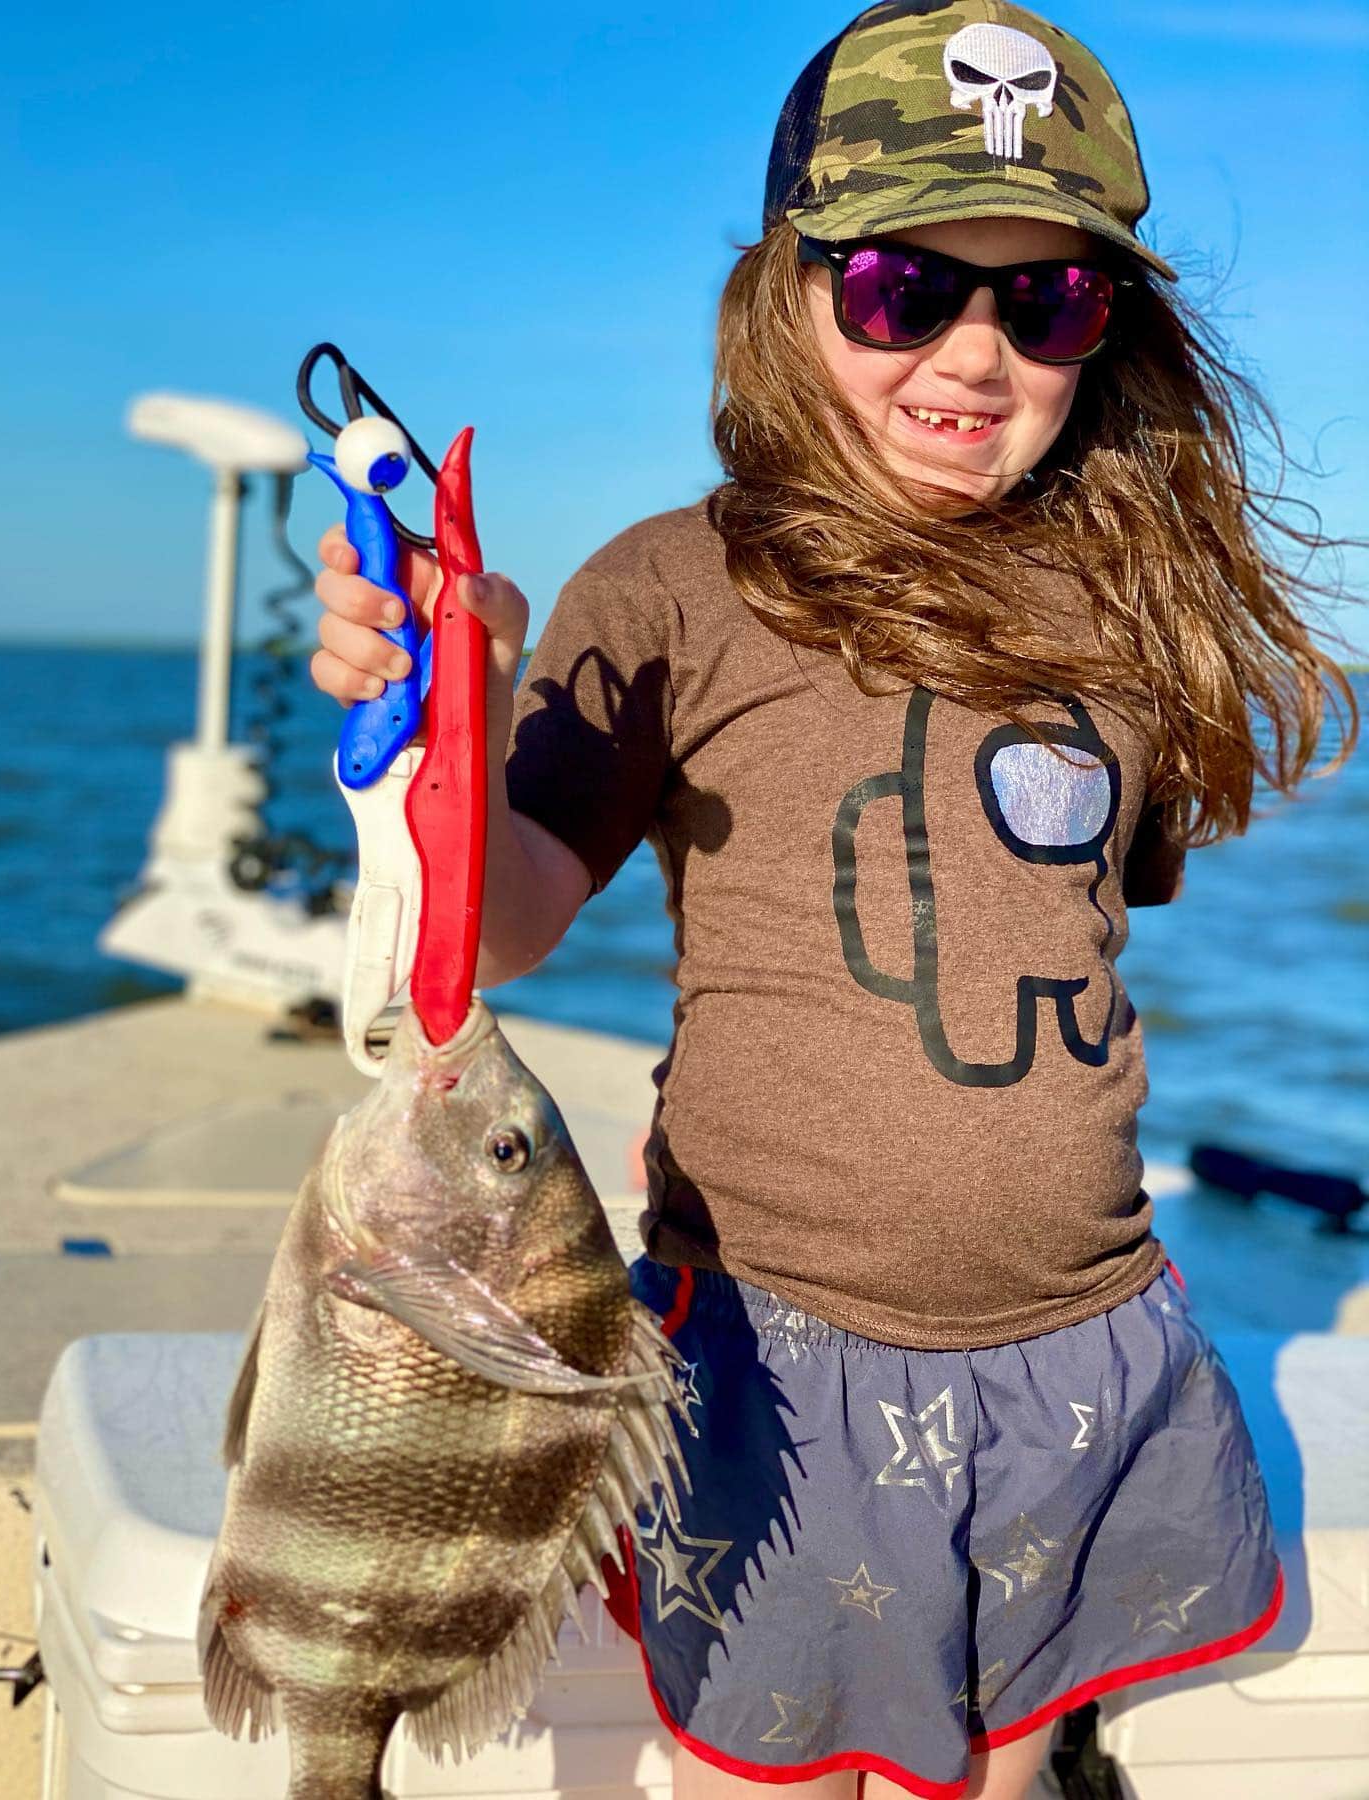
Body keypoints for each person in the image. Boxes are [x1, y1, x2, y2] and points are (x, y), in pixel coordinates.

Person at [309, 6, 1357, 1795]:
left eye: (1045, 304)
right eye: (899, 285)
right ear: (785, 294)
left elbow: (1076, 927)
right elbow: (500, 931)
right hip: (779, 1358)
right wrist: (433, 743)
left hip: (1088, 1340)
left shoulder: (1124, 610)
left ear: (1102, 335)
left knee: (1009, 1763)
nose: (974, 347)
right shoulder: (665, 587)